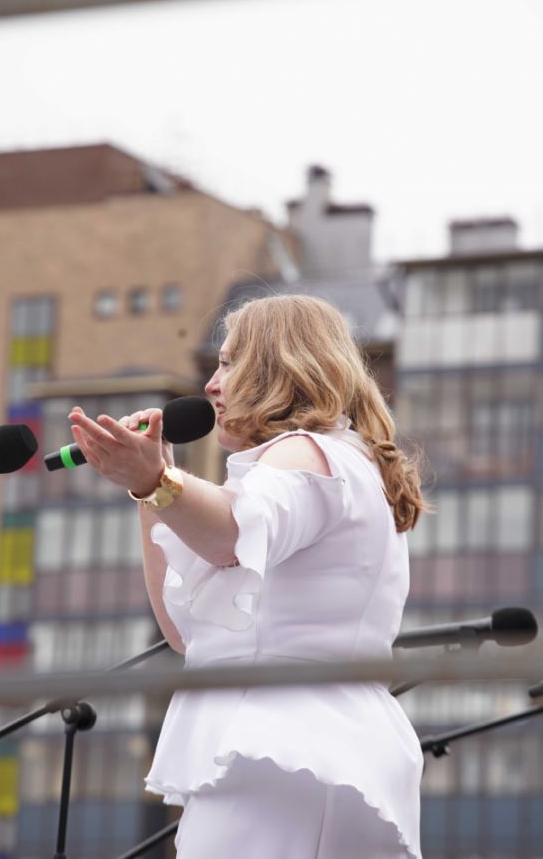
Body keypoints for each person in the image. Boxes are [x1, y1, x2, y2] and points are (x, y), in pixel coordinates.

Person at [68, 294, 429, 859]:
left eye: (229, 363)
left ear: (277, 368)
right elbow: (187, 635)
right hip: (296, 748)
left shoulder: (308, 453)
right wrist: (152, 487)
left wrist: (155, 480)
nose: (212, 385)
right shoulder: (333, 459)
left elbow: (231, 532)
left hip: (292, 745)